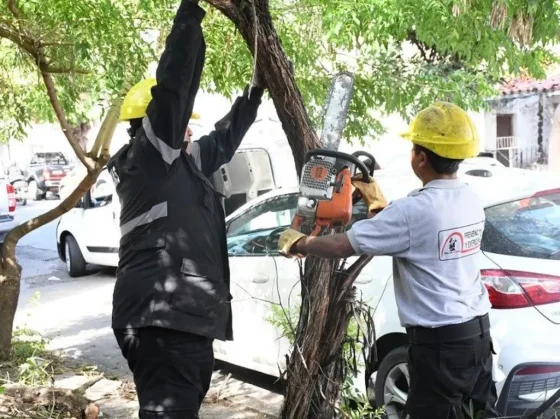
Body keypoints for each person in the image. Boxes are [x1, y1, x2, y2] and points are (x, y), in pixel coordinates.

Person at [278, 102, 498, 419]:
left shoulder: (413, 210)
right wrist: (377, 203)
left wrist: (303, 242)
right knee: (477, 414)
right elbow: (414, 235)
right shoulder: (469, 199)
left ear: (421, 157)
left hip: (440, 347)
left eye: (413, 147)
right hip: (477, 337)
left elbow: (343, 245)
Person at [106, 0, 266, 417]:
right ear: (151, 124)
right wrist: (191, 14)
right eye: (180, 123)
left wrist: (252, 98)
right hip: (162, 322)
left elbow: (222, 141)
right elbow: (174, 86)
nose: (188, 127)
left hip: (179, 322)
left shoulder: (178, 163)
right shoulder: (148, 159)